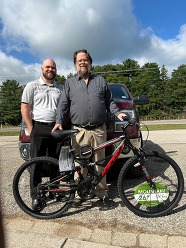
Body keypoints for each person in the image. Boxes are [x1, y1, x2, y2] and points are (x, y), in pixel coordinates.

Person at [52, 49, 126, 209]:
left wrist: (118, 114)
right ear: (75, 64)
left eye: (85, 60)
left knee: (100, 164)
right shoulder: (69, 83)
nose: (82, 62)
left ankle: (102, 195)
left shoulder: (100, 80)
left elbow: (109, 102)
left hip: (99, 130)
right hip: (79, 131)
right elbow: (63, 105)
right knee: (82, 165)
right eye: (79, 60)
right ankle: (81, 194)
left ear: (90, 62)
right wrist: (58, 121)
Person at [21, 59, 63, 211]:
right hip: (38, 127)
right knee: (36, 162)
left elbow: (63, 108)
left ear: (56, 70)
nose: (50, 69)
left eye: (53, 67)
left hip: (56, 128)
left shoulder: (60, 88)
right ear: (42, 69)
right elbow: (25, 107)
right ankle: (36, 195)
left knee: (56, 161)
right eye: (48, 67)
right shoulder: (32, 86)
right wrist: (31, 128)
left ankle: (54, 191)